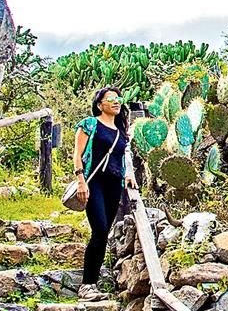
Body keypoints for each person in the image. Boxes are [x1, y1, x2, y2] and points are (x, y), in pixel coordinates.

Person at [72, 87, 138, 301]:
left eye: (118, 99)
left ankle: (92, 284)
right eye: (111, 99)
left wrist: (129, 175)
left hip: (113, 185)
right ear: (100, 104)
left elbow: (123, 157)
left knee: (103, 233)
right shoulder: (90, 124)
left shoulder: (121, 131)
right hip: (94, 182)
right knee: (99, 229)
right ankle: (87, 285)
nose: (116, 102)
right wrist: (81, 180)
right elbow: (77, 154)